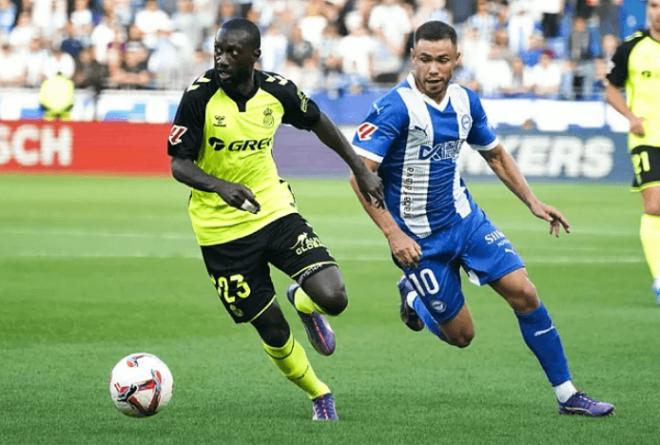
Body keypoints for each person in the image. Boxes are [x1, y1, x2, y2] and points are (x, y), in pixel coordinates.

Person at [349, 20, 614, 417]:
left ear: (457, 59)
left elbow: (495, 154)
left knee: (524, 292)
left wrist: (533, 202)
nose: (433, 70)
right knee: (462, 336)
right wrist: (392, 234)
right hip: (419, 242)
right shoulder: (394, 107)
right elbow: (359, 176)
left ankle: (568, 394)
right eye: (424, 60)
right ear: (412, 58)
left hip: (466, 222)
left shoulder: (465, 102)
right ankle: (413, 294)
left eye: (442, 60)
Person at [167, 18, 383, 421]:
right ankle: (319, 393)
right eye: (218, 49)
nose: (223, 58)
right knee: (274, 332)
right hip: (219, 232)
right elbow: (178, 164)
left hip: (272, 208)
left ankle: (303, 299)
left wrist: (360, 169)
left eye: (233, 51)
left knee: (333, 297)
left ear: (255, 57)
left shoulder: (277, 90)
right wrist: (219, 186)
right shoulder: (199, 97)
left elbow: (319, 122)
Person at [605, 0, 660, 304]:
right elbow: (611, 89)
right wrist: (631, 117)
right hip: (647, 138)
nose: (658, 11)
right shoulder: (632, 47)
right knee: (654, 206)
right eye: (653, 5)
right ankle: (659, 278)